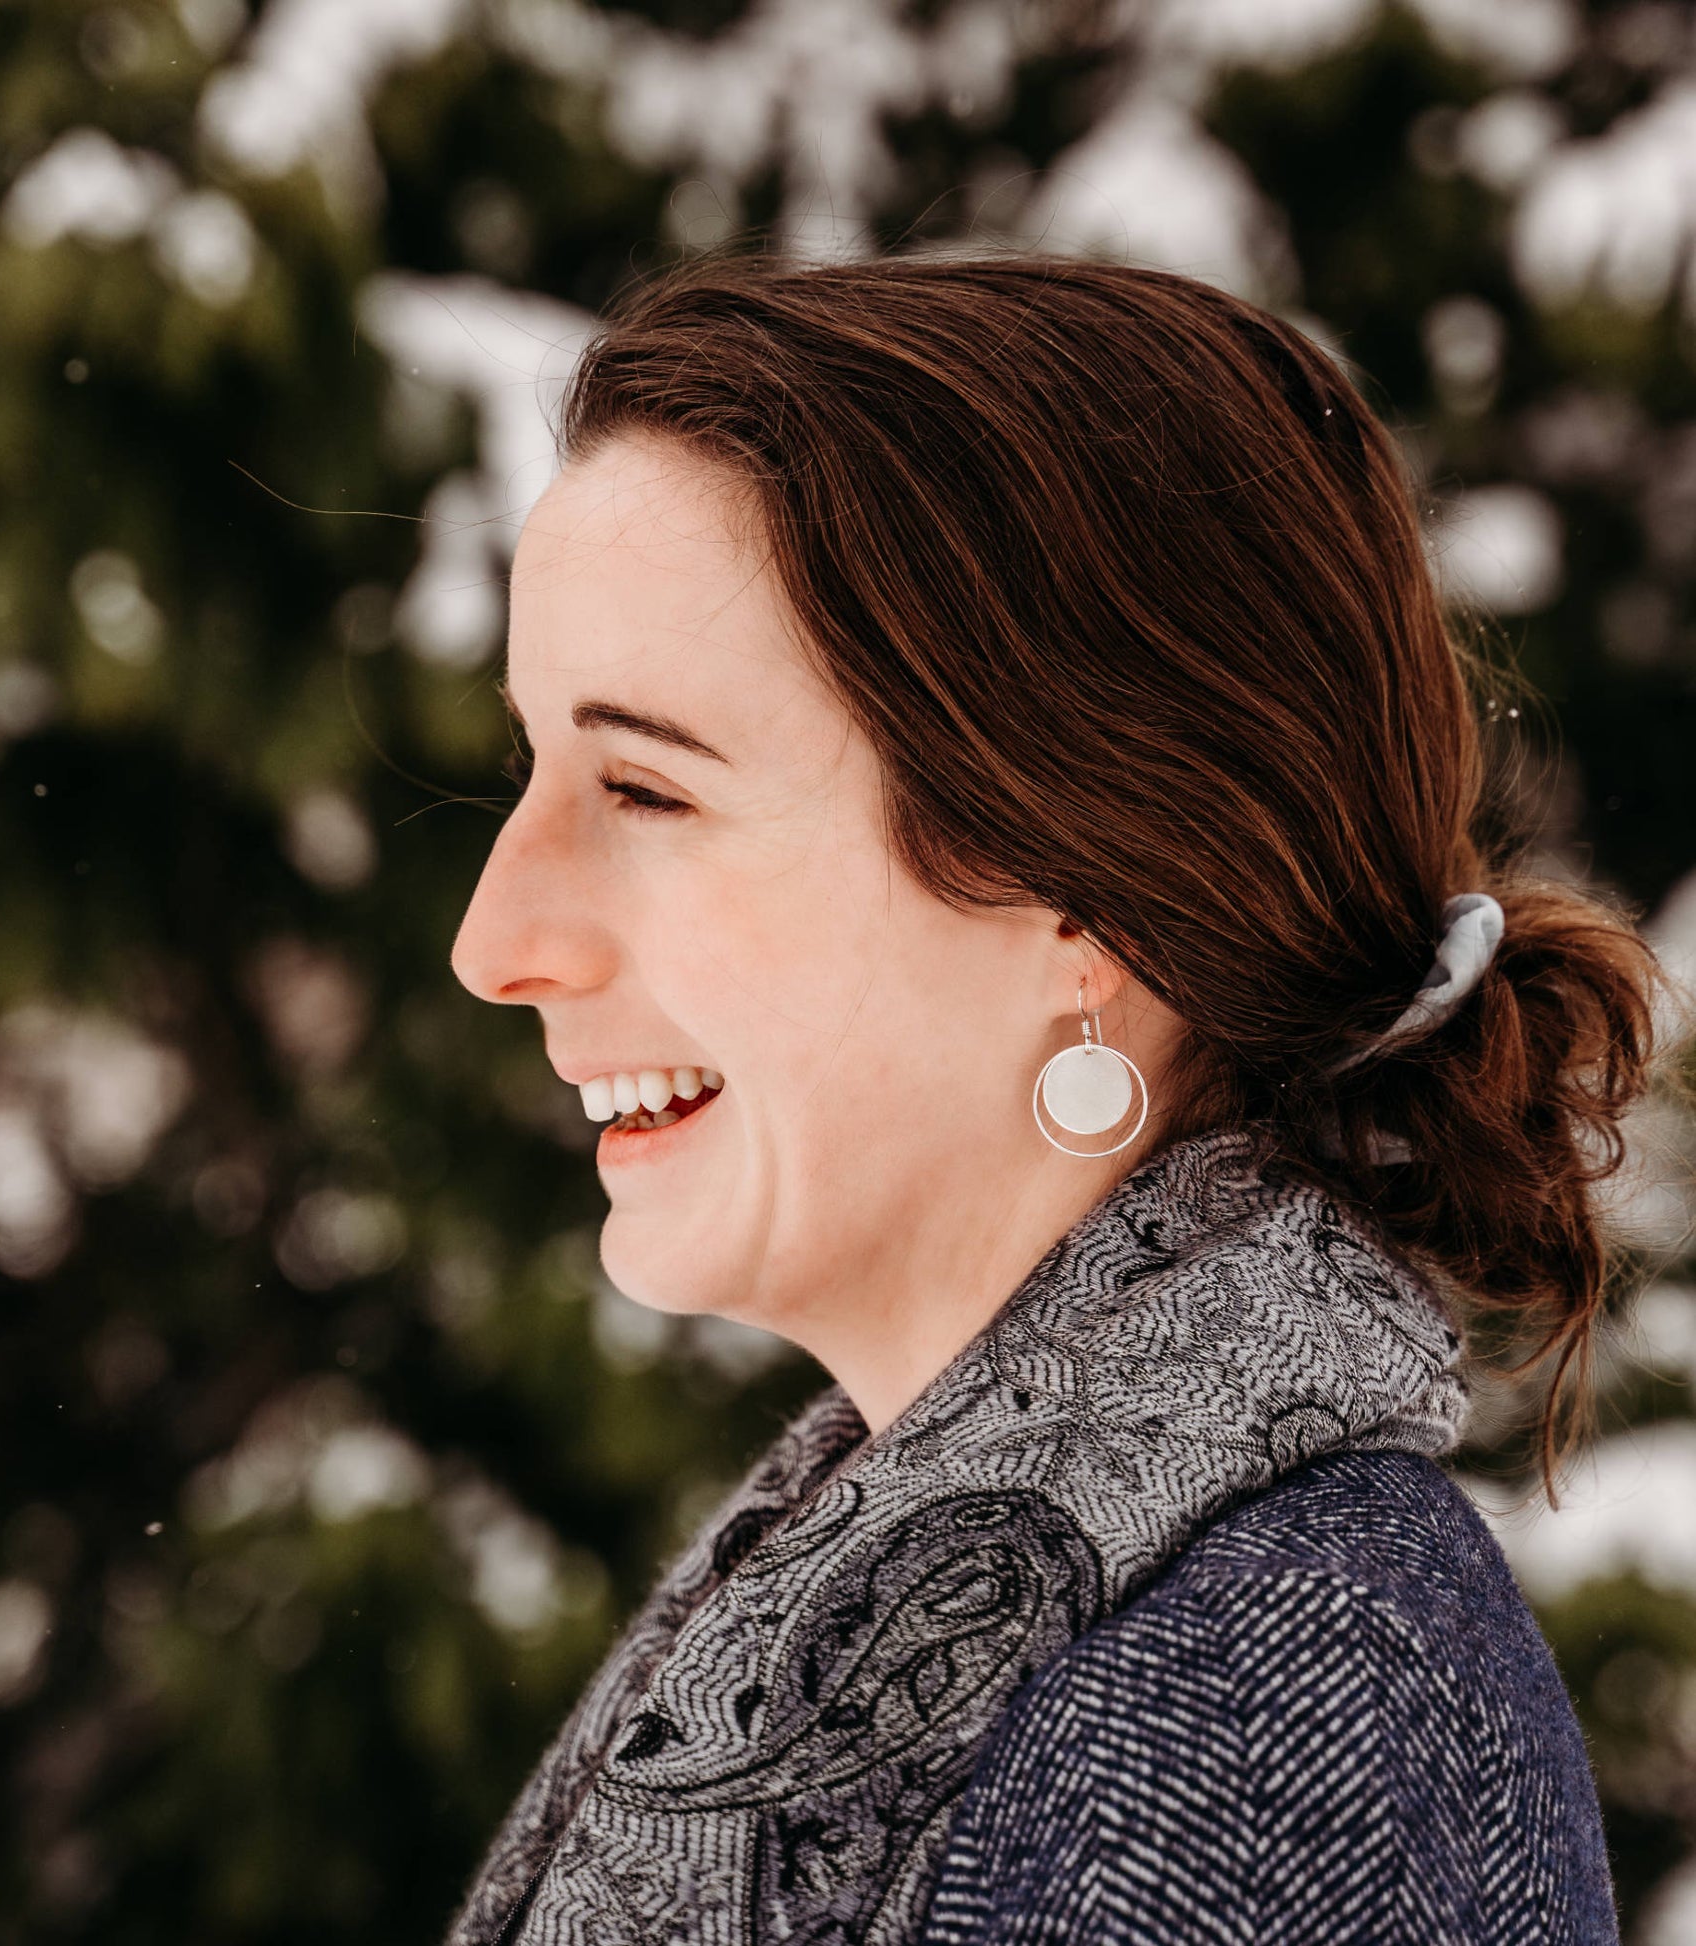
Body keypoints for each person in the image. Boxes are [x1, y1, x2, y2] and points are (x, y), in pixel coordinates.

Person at [446, 251, 1660, 1945]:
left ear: (1080, 899)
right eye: (533, 771)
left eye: (645, 787)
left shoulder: (1240, 1719)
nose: (496, 940)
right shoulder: (940, 1604)